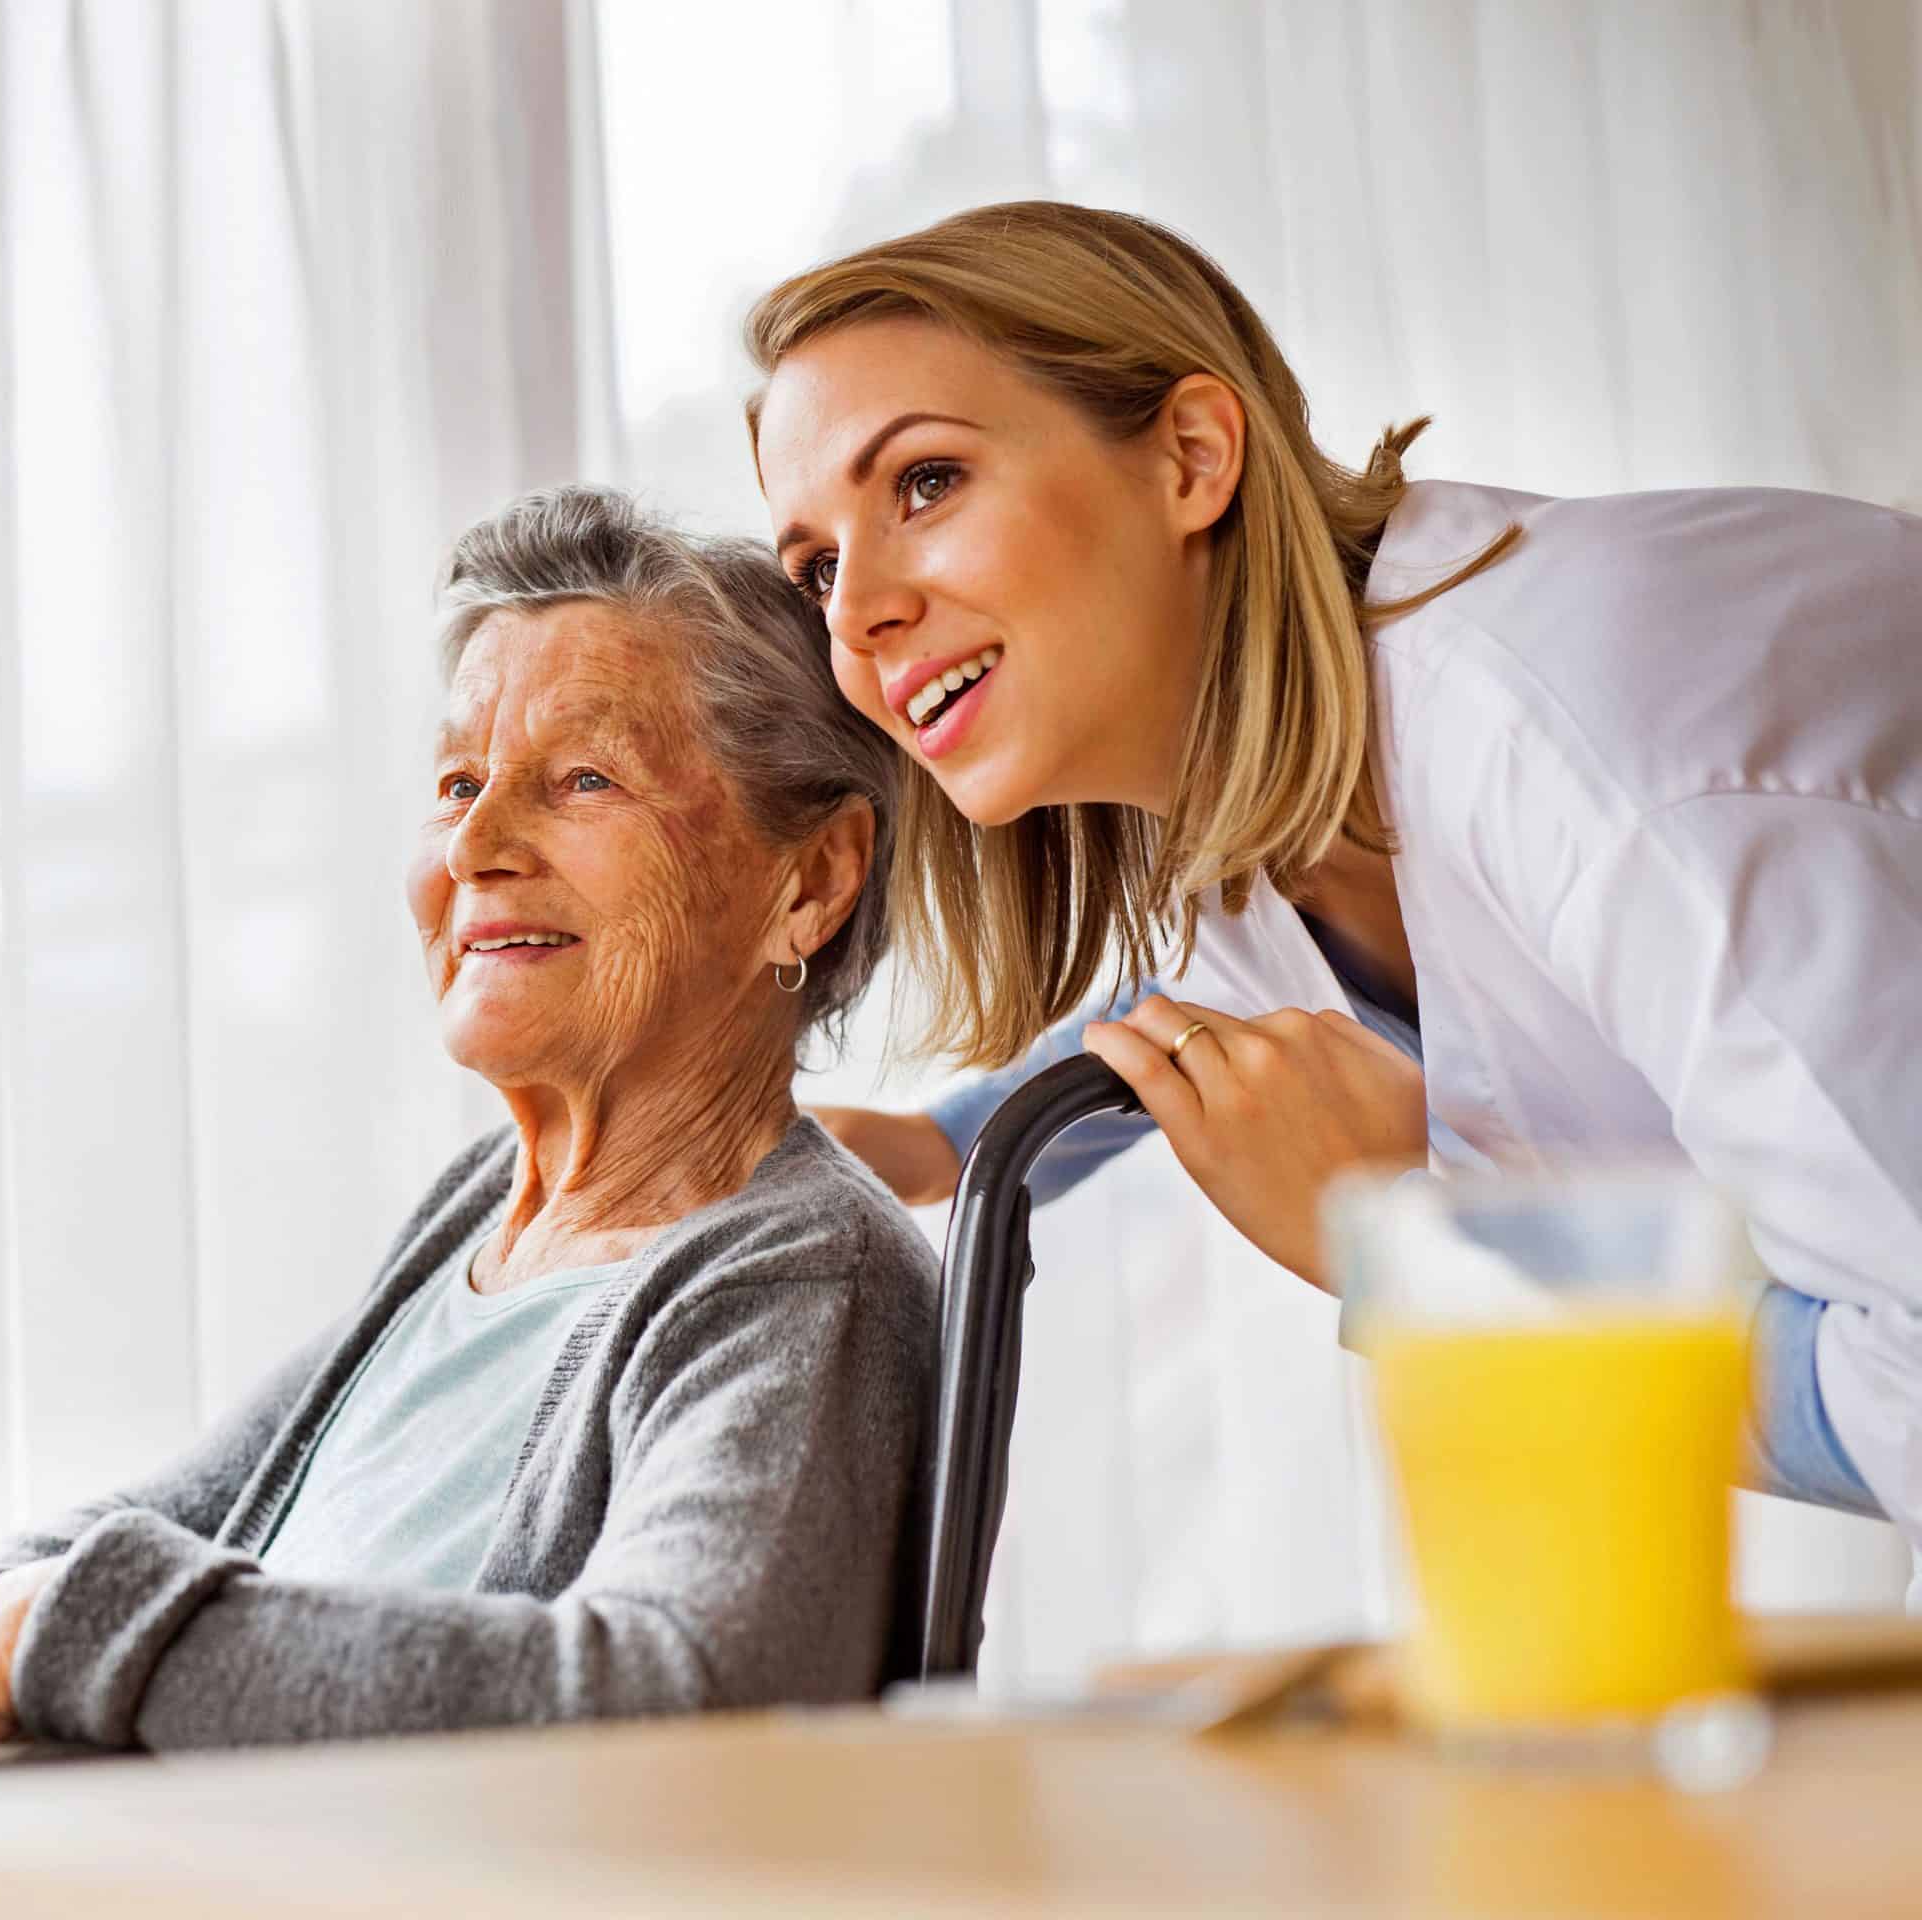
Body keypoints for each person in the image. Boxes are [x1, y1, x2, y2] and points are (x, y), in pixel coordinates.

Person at [0, 487, 935, 1879]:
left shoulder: (799, 1280)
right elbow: (168, 1517)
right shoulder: (484, 1216)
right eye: (455, 784)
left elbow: (678, 1704)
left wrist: (24, 1643)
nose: (475, 848)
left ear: (811, 879)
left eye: (583, 781)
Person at [748, 200, 1922, 1559]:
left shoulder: (1586, 745)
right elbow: (1205, 1001)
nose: (854, 614)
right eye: (816, 566)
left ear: (1192, 456)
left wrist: (1426, 1258)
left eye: (927, 482)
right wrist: (942, 1144)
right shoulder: (1280, 813)